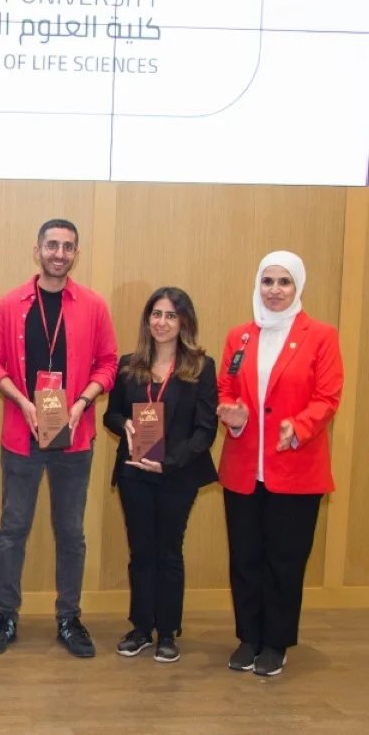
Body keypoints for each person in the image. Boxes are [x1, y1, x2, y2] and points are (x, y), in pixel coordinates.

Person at [0, 219, 118, 658]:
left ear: (76, 254)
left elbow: (109, 363)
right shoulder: (9, 304)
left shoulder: (94, 305)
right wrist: (22, 401)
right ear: (36, 250)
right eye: (52, 245)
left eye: (68, 247)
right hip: (23, 434)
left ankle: (69, 617)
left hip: (75, 437)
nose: (60, 253)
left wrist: (81, 403)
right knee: (12, 529)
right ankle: (6, 616)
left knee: (71, 532)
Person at [216, 251, 343, 677]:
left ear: (298, 287)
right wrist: (230, 413)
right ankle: (248, 638)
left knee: (285, 561)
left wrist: (300, 427)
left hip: (296, 469)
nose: (274, 291)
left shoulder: (321, 335)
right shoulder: (240, 336)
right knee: (246, 557)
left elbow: (327, 397)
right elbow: (226, 387)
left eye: (283, 282)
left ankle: (275, 643)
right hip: (243, 468)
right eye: (267, 281)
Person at [103, 287, 218, 663]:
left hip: (176, 474)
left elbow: (205, 431)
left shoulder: (201, 368)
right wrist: (126, 427)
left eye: (170, 315)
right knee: (141, 551)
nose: (162, 322)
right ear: (147, 319)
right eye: (156, 313)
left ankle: (167, 631)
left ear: (184, 320)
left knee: (169, 551)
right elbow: (111, 415)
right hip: (135, 472)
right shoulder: (128, 363)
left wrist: (168, 461)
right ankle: (140, 628)